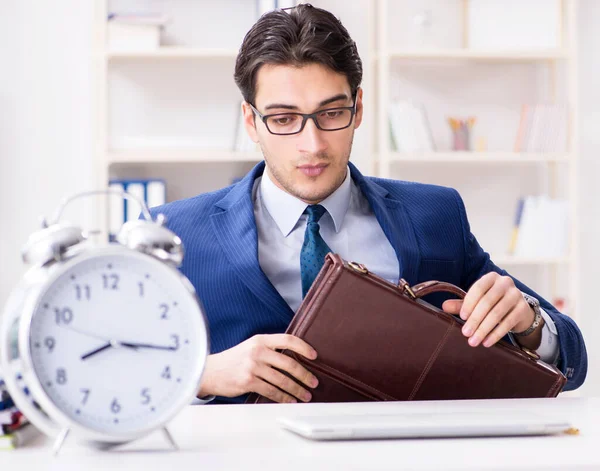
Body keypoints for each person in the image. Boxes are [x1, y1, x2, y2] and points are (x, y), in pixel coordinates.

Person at [151, 4, 587, 405]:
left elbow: (572, 361)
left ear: (358, 108)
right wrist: (200, 374)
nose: (313, 144)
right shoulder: (174, 231)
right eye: (284, 119)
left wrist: (528, 325)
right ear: (251, 121)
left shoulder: (434, 214)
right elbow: (107, 371)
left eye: (331, 113)